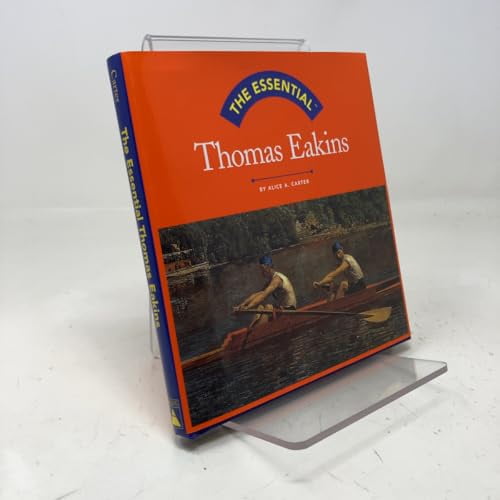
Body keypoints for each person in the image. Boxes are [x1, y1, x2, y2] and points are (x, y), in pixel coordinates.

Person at [234, 255, 297, 329]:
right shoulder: (271, 280)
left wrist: (248, 307)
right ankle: (252, 328)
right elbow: (259, 294)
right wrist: (241, 305)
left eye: (262, 269)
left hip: (290, 310)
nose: (262, 272)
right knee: (260, 307)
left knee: (268, 307)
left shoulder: (277, 280)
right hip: (281, 309)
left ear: (268, 267)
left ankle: (259, 330)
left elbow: (263, 295)